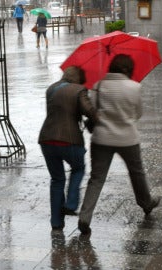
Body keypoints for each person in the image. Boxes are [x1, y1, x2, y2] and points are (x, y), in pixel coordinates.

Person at [78, 54, 160, 235]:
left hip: (101, 138)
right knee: (136, 172)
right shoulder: (135, 87)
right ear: (130, 69)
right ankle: (146, 203)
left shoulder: (98, 86)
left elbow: (93, 110)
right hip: (128, 139)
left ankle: (85, 216)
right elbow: (138, 113)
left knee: (97, 178)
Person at [38, 66, 98, 231]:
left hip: (47, 139)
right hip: (69, 140)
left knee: (57, 180)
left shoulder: (51, 89)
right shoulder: (79, 90)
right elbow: (90, 111)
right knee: (78, 168)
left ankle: (56, 222)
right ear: (79, 78)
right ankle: (71, 203)